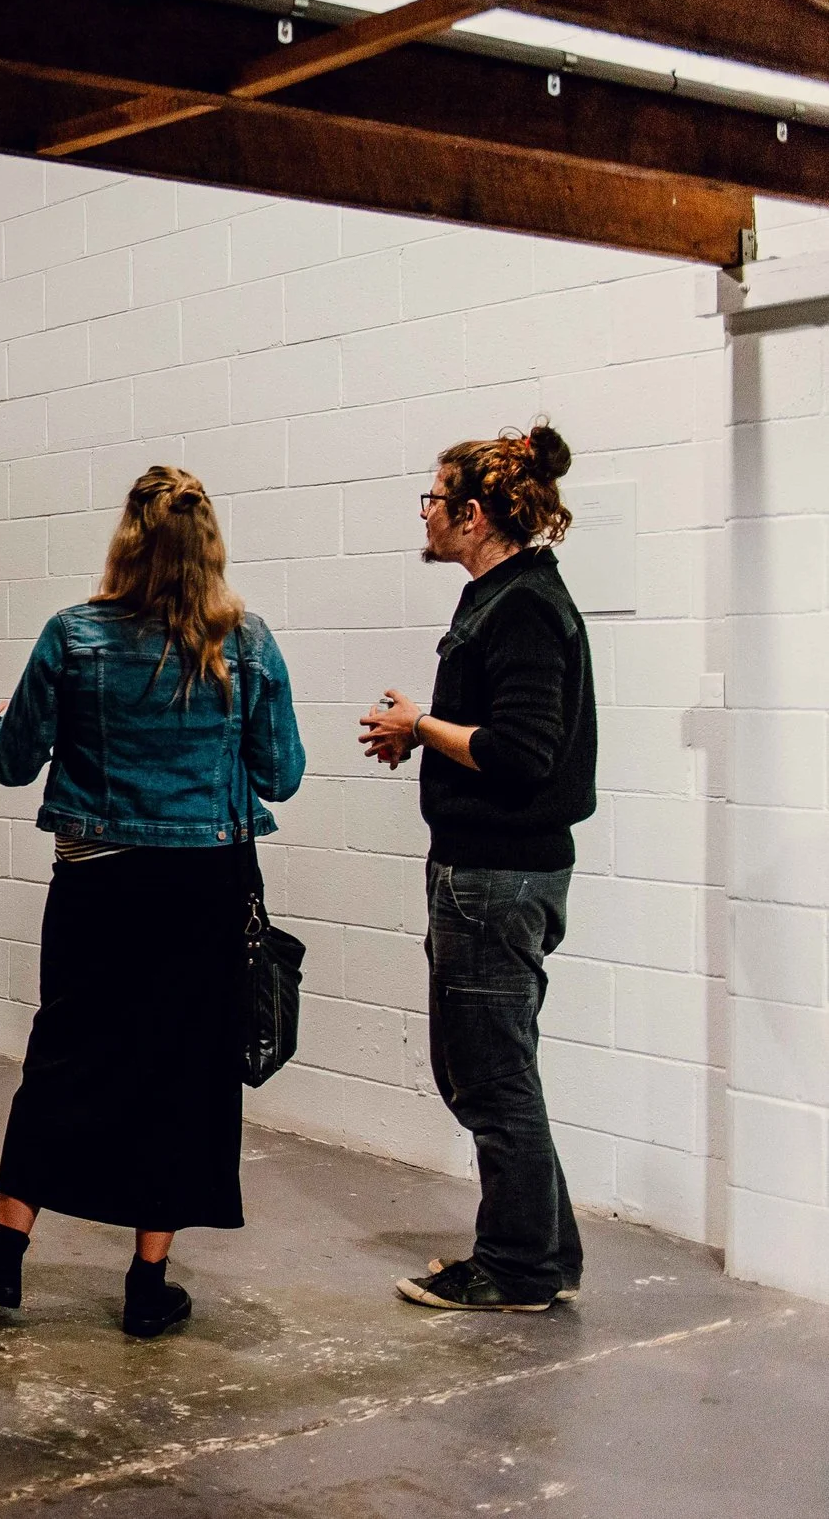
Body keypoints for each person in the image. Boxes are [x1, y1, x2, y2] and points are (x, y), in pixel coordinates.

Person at [0, 466, 305, 1346]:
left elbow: (12, 762)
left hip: (99, 882)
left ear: (127, 540)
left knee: (63, 1057)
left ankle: (4, 1256)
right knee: (183, 1072)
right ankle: (147, 1283)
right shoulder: (247, 642)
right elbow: (281, 772)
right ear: (209, 543)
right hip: (206, 887)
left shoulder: (75, 634)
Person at [358, 424, 596, 1314]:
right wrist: (424, 735)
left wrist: (421, 727)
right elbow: (499, 736)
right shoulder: (504, 596)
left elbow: (523, 754)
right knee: (495, 1071)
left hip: (497, 878)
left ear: (475, 515)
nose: (424, 512)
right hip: (496, 872)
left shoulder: (523, 606)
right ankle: (547, 1253)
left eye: (434, 497)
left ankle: (516, 1267)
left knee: (489, 1078)